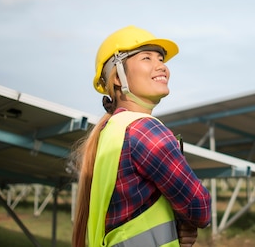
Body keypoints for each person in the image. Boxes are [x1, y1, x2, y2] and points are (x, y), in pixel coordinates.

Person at [72, 25, 211, 247]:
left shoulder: (111, 131)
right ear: (118, 77)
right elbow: (199, 207)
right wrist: (185, 222)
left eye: (161, 59)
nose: (161, 66)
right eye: (147, 58)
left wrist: (176, 226)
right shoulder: (144, 130)